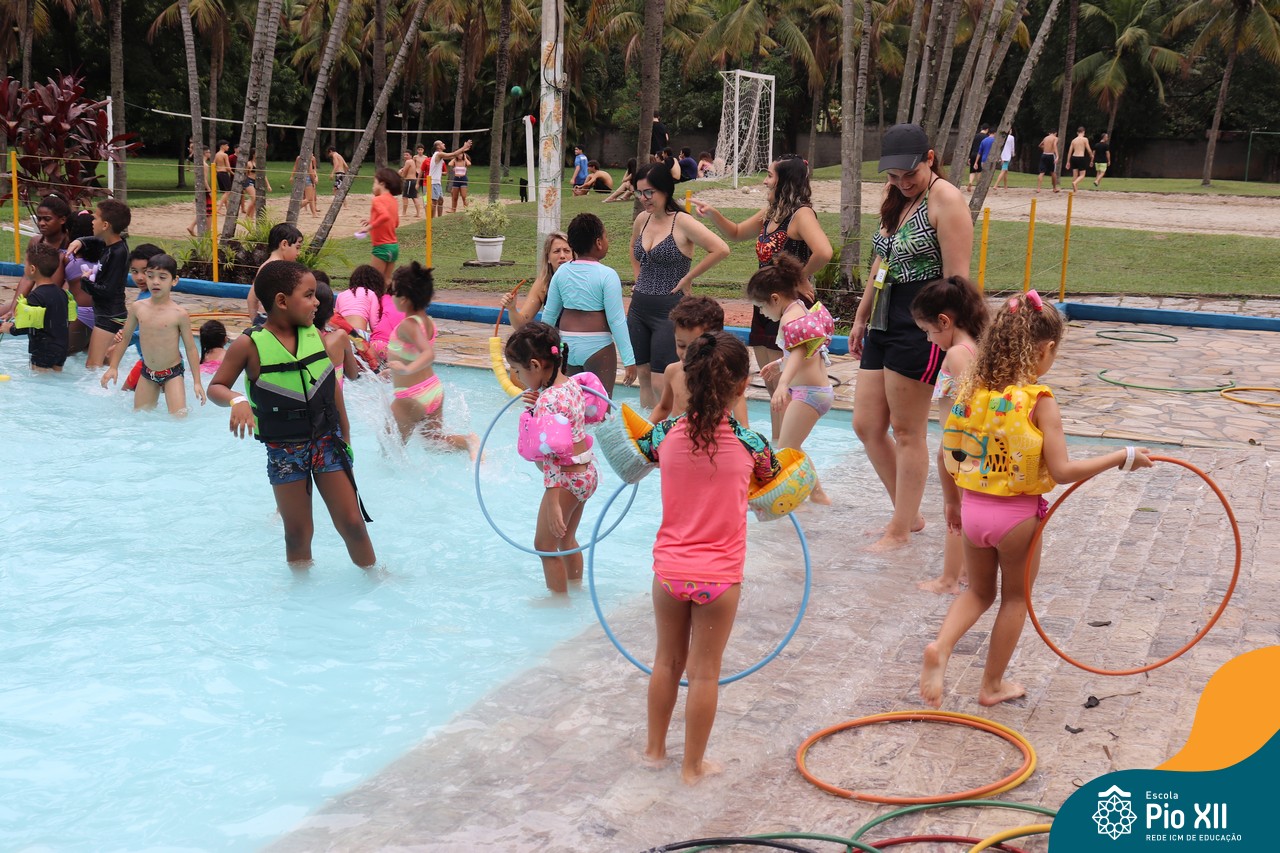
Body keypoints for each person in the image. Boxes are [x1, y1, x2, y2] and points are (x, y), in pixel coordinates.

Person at [920, 290, 1153, 708]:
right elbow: (1061, 472)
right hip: (1016, 519)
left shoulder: (972, 392)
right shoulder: (1038, 401)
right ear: (1045, 349)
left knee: (977, 593)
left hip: (973, 511)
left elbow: (947, 452)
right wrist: (1122, 457)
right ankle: (991, 685)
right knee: (1014, 598)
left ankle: (942, 645)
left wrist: (951, 503)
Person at [636, 331, 780, 786]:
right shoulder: (753, 444)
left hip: (669, 571)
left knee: (666, 663)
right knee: (704, 675)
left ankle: (654, 752)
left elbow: (638, 452)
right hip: (719, 577)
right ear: (742, 386)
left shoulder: (663, 435)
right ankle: (692, 768)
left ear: (687, 381)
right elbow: (774, 485)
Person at [851, 123, 973, 552]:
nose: (903, 182)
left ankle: (900, 527)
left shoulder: (946, 200)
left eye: (910, 174)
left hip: (921, 323)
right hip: (884, 317)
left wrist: (948, 334)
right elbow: (881, 261)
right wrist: (862, 315)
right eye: (893, 176)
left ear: (930, 159)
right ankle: (910, 515)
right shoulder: (898, 199)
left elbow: (957, 280)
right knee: (866, 425)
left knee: (907, 430)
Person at [208, 260, 376, 569]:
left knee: (353, 523)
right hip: (285, 451)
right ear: (282, 301)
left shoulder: (315, 335)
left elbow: (330, 389)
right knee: (298, 533)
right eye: (309, 295)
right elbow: (216, 387)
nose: (317, 302)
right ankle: (300, 589)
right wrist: (236, 400)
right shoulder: (248, 345)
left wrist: (346, 436)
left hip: (327, 443)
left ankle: (375, 579)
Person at [694, 154, 833, 439]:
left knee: (790, 385)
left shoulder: (801, 215)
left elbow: (824, 251)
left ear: (785, 181)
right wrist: (713, 214)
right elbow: (735, 233)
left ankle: (786, 447)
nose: (765, 181)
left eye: (770, 175)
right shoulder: (770, 213)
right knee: (774, 384)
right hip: (766, 306)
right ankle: (778, 443)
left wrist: (798, 278)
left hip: (789, 306)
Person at [505, 321, 609, 595]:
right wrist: (540, 398)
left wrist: (553, 502)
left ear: (535, 365)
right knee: (566, 540)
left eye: (518, 371)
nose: (518, 378)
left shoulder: (548, 401)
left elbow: (551, 454)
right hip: (586, 474)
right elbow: (569, 419)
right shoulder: (572, 385)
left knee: (545, 546)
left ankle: (559, 602)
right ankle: (576, 589)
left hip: (565, 480)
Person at [629, 163, 730, 408]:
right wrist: (638, 277)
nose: (644, 198)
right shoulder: (642, 219)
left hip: (669, 309)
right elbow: (633, 249)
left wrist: (688, 277)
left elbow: (721, 249)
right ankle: (648, 428)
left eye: (649, 192)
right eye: (639, 192)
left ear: (665, 190)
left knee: (661, 380)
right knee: (643, 376)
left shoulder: (682, 221)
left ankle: (675, 427)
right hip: (639, 308)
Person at [910, 276, 988, 594]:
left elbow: (967, 409)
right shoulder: (975, 347)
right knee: (966, 511)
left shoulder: (957, 354)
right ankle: (967, 571)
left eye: (928, 331)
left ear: (944, 321)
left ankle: (948, 579)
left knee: (955, 513)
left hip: (961, 447)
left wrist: (947, 453)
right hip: (970, 446)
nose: (929, 339)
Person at [746, 254, 834, 504]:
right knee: (791, 446)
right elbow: (803, 351)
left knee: (786, 448)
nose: (762, 313)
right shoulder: (799, 308)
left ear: (775, 298)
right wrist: (779, 364)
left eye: (761, 307)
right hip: (814, 391)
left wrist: (782, 384)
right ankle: (817, 495)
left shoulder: (789, 318)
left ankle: (807, 497)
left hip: (809, 393)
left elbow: (798, 350)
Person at [386, 262, 480, 456]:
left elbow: (428, 354)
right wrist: (393, 371)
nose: (390, 295)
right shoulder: (426, 321)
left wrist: (405, 370)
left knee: (389, 451)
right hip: (432, 390)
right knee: (434, 443)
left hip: (410, 397)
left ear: (404, 300)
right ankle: (468, 441)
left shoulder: (408, 325)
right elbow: (413, 353)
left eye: (393, 292)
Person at [541, 214, 637, 396]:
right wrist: (629, 360)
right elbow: (616, 320)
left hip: (566, 345)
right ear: (599, 243)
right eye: (606, 237)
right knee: (600, 406)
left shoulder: (561, 273)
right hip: (597, 346)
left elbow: (549, 316)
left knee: (571, 404)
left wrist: (543, 351)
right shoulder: (607, 275)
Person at [101, 254, 206, 414]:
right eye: (150, 276)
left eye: (162, 277)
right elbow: (125, 337)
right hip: (148, 372)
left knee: (179, 418)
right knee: (140, 416)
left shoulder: (179, 314)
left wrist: (197, 382)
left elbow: (191, 348)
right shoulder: (138, 308)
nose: (155, 282)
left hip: (172, 373)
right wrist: (113, 367)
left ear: (174, 280)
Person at [650, 296, 747, 423]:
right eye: (681, 345)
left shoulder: (724, 377)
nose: (686, 354)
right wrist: (644, 431)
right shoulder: (672, 372)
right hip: (678, 435)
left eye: (696, 347)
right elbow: (664, 408)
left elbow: (743, 426)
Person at [66, 199, 132, 369]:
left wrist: (85, 281)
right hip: (108, 314)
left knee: (93, 366)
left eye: (95, 218)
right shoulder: (112, 245)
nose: (92, 221)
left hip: (110, 316)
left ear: (105, 225)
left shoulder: (117, 254)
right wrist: (81, 241)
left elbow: (107, 291)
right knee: (104, 364)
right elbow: (96, 241)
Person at [0, 242, 70, 373]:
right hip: (62, 348)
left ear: (32, 269)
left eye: (25, 264)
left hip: (42, 349)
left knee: (41, 380)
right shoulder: (62, 293)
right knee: (56, 377)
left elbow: (29, 326)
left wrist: (10, 329)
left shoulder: (35, 297)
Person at [1, 193, 70, 322]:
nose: (41, 223)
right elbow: (27, 278)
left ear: (62, 220)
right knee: (5, 312)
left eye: (47, 219)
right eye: (39, 219)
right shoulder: (36, 242)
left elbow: (68, 286)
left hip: (60, 302)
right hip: (39, 297)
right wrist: (13, 309)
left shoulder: (70, 245)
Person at [501, 231, 572, 329]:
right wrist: (512, 308)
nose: (562, 255)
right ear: (548, 257)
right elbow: (521, 325)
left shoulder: (582, 279)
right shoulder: (543, 283)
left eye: (567, 251)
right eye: (556, 251)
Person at [247, 223, 303, 322]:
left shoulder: (265, 266)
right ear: (284, 244)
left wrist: (255, 323)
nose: (299, 253)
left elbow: (251, 298)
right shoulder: (282, 269)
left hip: (263, 318)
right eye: (297, 248)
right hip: (275, 321)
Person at [314, 277, 360, 382]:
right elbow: (353, 375)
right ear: (331, 313)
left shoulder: (294, 337)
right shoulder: (340, 337)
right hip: (334, 392)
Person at [364, 167, 403, 282]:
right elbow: (395, 223)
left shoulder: (377, 200)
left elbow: (385, 216)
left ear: (382, 183)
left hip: (381, 247)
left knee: (375, 281)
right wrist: (372, 221)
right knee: (386, 280)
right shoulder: (393, 200)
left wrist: (369, 227)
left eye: (374, 183)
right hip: (393, 247)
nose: (373, 186)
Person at [336, 263, 385, 336]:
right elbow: (374, 324)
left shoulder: (341, 295)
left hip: (341, 335)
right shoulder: (371, 294)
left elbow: (336, 319)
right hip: (358, 335)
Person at [427, 139, 472, 218]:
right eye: (442, 143)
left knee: (440, 201)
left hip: (437, 182)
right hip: (433, 182)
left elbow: (453, 155)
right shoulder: (439, 154)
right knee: (434, 202)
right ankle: (431, 220)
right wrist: (463, 147)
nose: (444, 144)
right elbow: (453, 154)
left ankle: (439, 218)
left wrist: (463, 150)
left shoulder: (440, 155)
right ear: (438, 146)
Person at [967, 126, 996, 192]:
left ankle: (970, 182)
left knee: (972, 170)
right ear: (987, 129)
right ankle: (978, 184)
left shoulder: (975, 136)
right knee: (979, 171)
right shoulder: (987, 138)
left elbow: (972, 146)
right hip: (982, 156)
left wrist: (970, 157)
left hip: (973, 154)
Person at [1068, 127, 1094, 192]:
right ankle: (1075, 183)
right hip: (1080, 157)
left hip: (1073, 157)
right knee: (1082, 175)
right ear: (1083, 132)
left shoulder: (1073, 140)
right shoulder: (1085, 139)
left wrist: (1068, 161)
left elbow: (1070, 152)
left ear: (1077, 133)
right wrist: (1091, 155)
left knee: (1075, 175)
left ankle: (1075, 190)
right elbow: (1088, 149)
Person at [399, 150, 423, 218]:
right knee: (414, 197)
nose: (405, 156)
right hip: (413, 181)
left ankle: (404, 213)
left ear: (411, 156)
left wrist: (400, 174)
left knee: (405, 197)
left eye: (407, 155)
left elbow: (404, 172)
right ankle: (418, 213)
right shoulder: (412, 161)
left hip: (409, 181)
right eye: (404, 155)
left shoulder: (408, 161)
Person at [214, 140, 233, 212]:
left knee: (224, 192)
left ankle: (228, 209)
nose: (228, 147)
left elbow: (214, 164)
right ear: (222, 146)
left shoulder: (217, 154)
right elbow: (228, 167)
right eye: (227, 145)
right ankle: (219, 208)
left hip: (218, 173)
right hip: (224, 173)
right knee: (228, 191)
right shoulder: (225, 155)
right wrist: (232, 173)